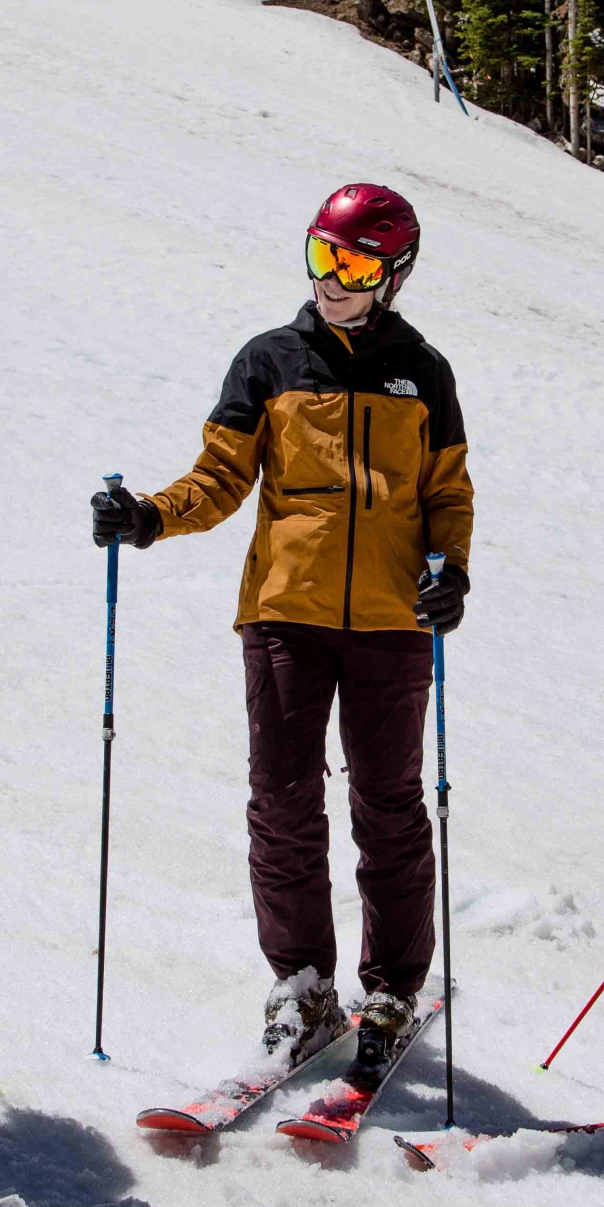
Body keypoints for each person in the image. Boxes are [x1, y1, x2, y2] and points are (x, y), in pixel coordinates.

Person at [91, 184, 475, 1074]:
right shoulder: (271, 360)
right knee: (284, 800)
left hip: (391, 621)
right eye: (320, 255)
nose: (332, 278)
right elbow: (219, 476)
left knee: (389, 805)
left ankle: (391, 986)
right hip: (283, 615)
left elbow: (446, 493)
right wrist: (150, 514)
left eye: (354, 264)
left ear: (394, 274)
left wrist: (450, 573)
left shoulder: (426, 374)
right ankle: (302, 983)